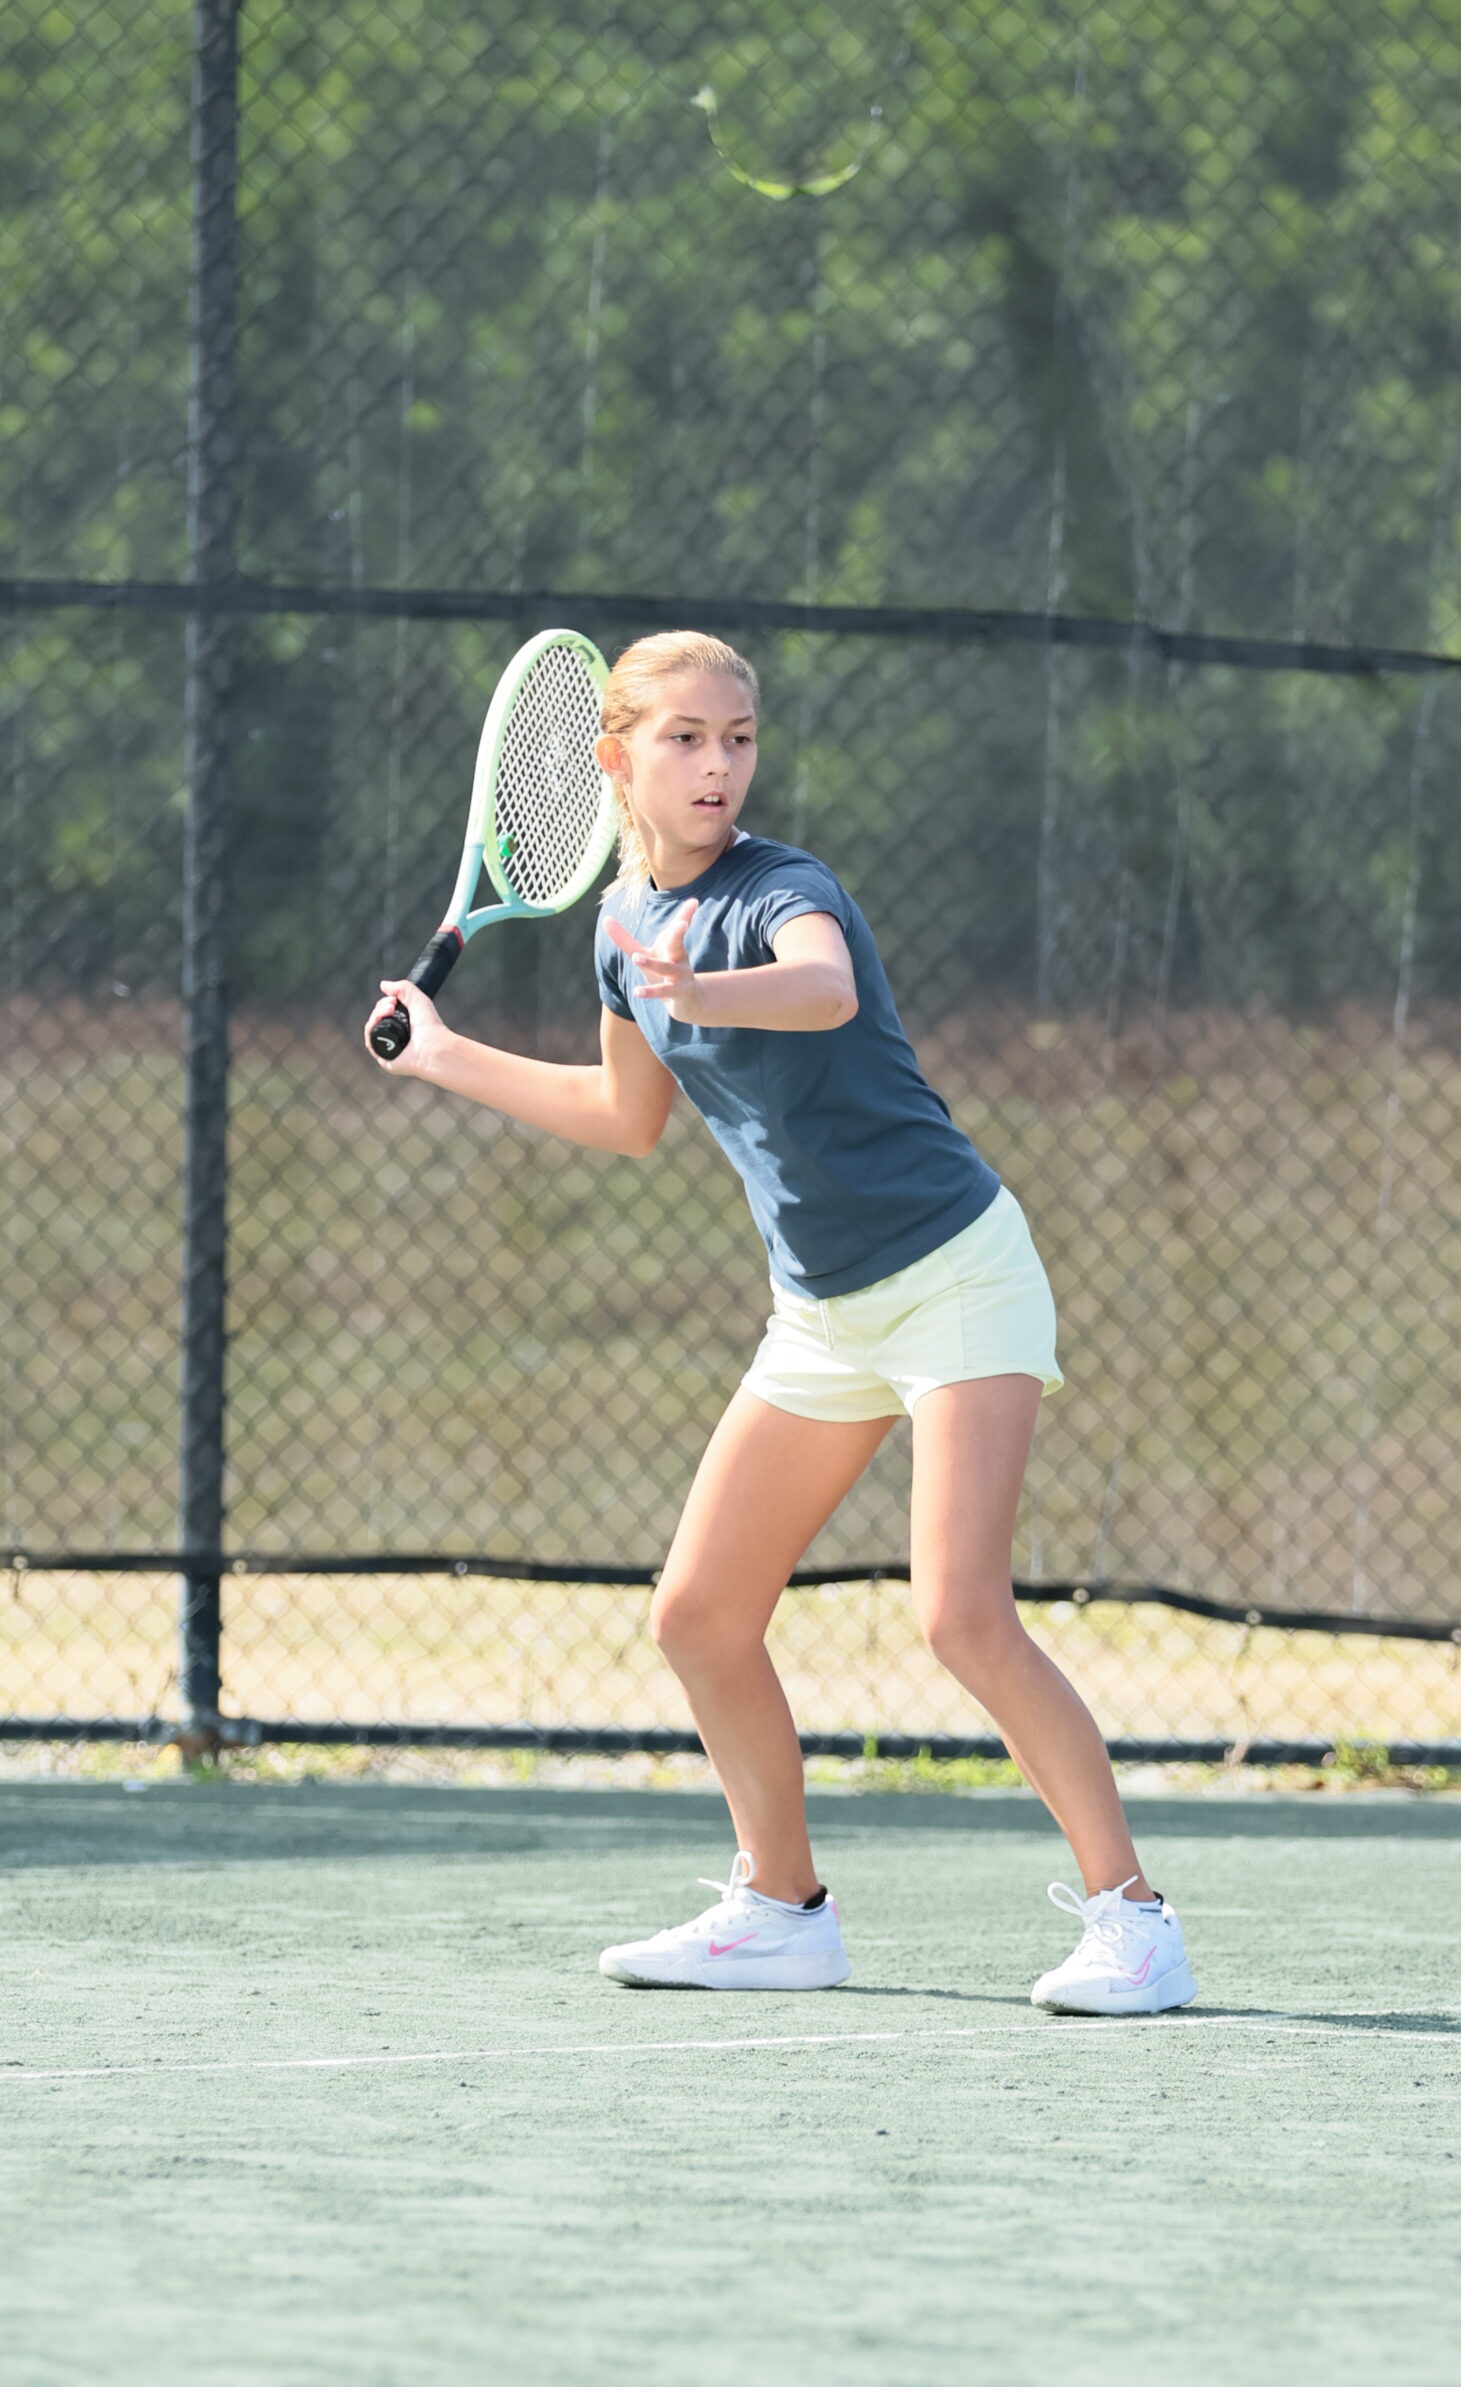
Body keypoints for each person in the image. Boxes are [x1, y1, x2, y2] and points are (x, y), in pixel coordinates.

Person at [365, 630, 1196, 2017]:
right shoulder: (621, 925)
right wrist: (448, 1057)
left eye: (738, 738)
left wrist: (706, 986)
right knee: (696, 1615)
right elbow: (629, 1121)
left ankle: (1136, 1921)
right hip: (820, 1314)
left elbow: (827, 988)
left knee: (959, 1616)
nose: (717, 766)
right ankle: (782, 1909)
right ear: (612, 757)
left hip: (955, 1276)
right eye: (685, 738)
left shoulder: (781, 890)